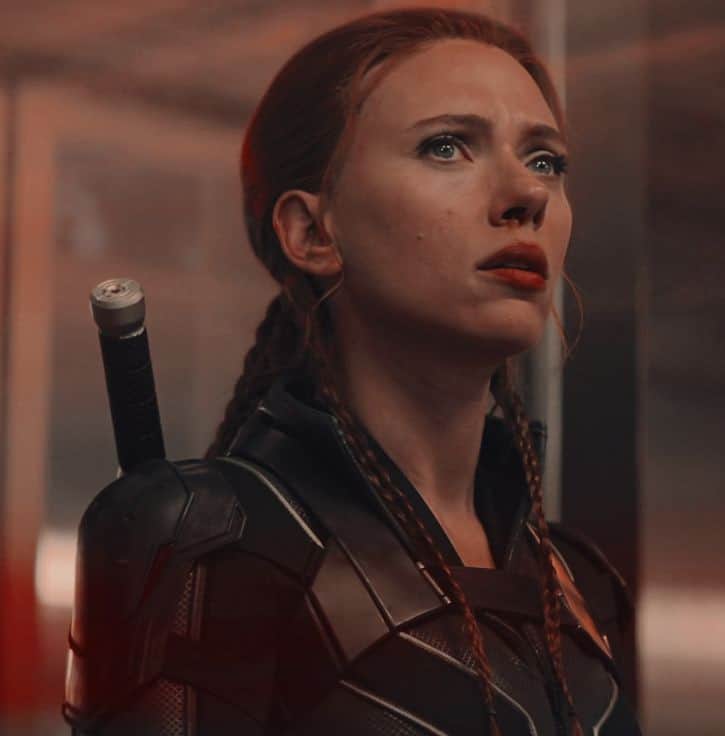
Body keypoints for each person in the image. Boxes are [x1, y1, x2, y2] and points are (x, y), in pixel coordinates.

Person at [63, 7, 643, 735]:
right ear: (312, 231)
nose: (528, 195)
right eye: (446, 147)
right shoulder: (216, 544)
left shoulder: (578, 580)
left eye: (545, 160)